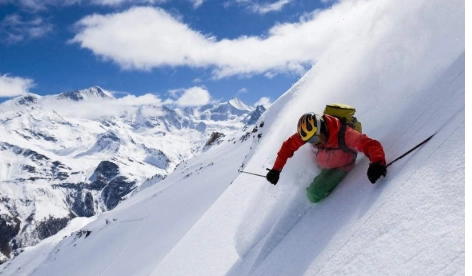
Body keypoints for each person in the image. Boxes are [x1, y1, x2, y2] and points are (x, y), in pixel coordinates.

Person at [266, 112, 387, 203]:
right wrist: (276, 169)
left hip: (341, 166)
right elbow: (287, 147)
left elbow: (370, 144)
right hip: (323, 163)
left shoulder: (344, 135)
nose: (312, 143)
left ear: (322, 129)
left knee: (313, 194)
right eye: (308, 141)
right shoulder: (310, 133)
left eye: (313, 139)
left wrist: (377, 163)